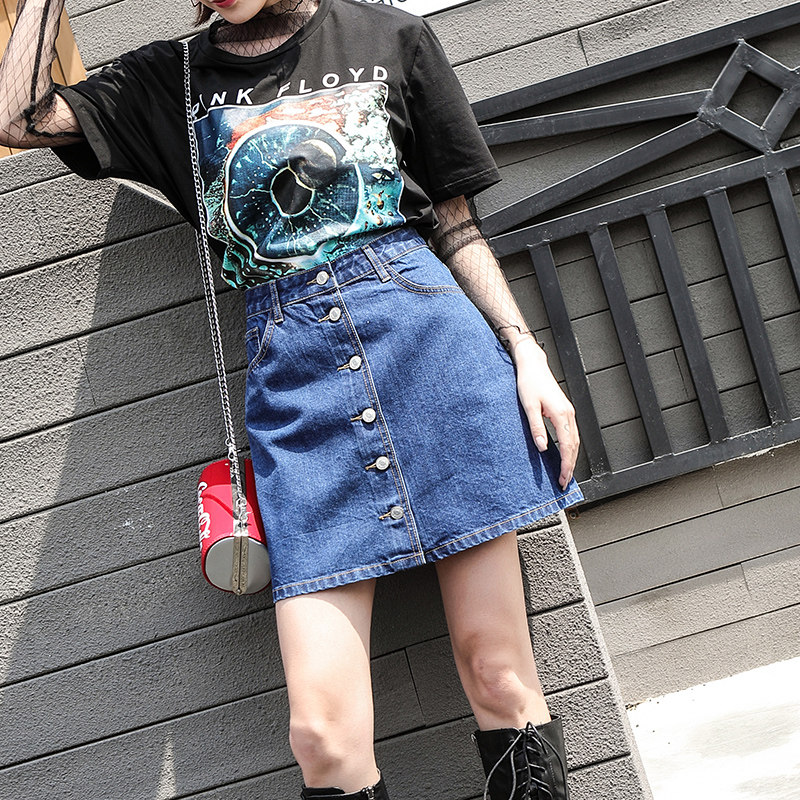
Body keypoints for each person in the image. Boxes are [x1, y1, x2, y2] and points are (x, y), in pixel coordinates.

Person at [0, 0, 583, 797]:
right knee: (321, 736)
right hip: (297, 382)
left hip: (432, 353)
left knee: (498, 672)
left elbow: (456, 226)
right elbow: (17, 118)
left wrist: (525, 351)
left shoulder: (390, 36)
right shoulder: (168, 78)